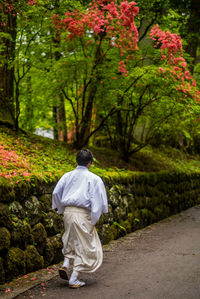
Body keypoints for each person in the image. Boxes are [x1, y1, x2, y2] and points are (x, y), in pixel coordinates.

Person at [52, 149, 108, 288]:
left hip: (68, 212)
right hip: (83, 214)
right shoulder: (94, 179)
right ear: (90, 163)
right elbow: (98, 202)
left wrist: (61, 209)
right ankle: (74, 278)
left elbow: (56, 192)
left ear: (77, 161)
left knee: (70, 238)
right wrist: (93, 220)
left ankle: (66, 264)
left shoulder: (67, 176)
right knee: (85, 245)